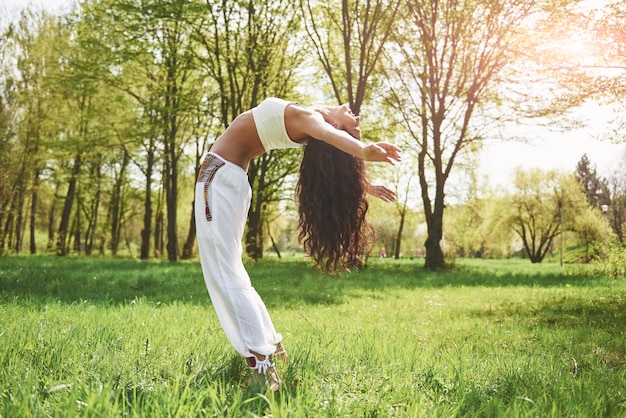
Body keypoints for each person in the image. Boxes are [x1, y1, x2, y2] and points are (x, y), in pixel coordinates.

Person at [195, 97, 401, 391]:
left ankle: (262, 365)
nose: (358, 119)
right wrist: (365, 182)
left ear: (336, 126)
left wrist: (363, 151)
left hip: (219, 177)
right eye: (357, 126)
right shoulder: (311, 121)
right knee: (232, 272)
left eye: (355, 126)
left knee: (224, 274)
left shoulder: (313, 121)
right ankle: (271, 348)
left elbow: (332, 136)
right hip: (230, 179)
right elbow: (332, 149)